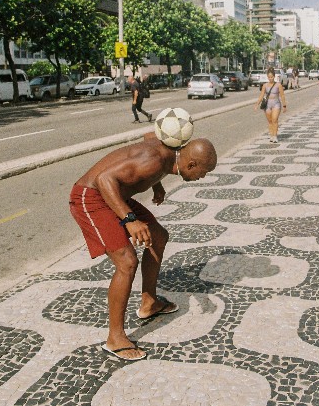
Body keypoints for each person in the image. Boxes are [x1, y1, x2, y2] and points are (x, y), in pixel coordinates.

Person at [69, 134, 218, 361]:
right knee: (127, 262)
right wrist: (130, 220)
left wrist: (156, 185)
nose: (202, 177)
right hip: (93, 197)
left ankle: (149, 302)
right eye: (203, 172)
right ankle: (115, 338)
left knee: (158, 236)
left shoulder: (168, 155)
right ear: (191, 164)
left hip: (117, 194)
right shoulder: (156, 160)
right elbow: (104, 179)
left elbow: (149, 138)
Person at [255, 67, 287, 143]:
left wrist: (284, 105)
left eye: (272, 77)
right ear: (267, 77)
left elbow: (282, 95)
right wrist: (257, 104)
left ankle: (275, 136)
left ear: (274, 76)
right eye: (269, 77)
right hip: (268, 104)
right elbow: (261, 95)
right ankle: (271, 135)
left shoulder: (278, 85)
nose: (270, 79)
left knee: (274, 119)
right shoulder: (265, 85)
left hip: (276, 103)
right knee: (270, 121)